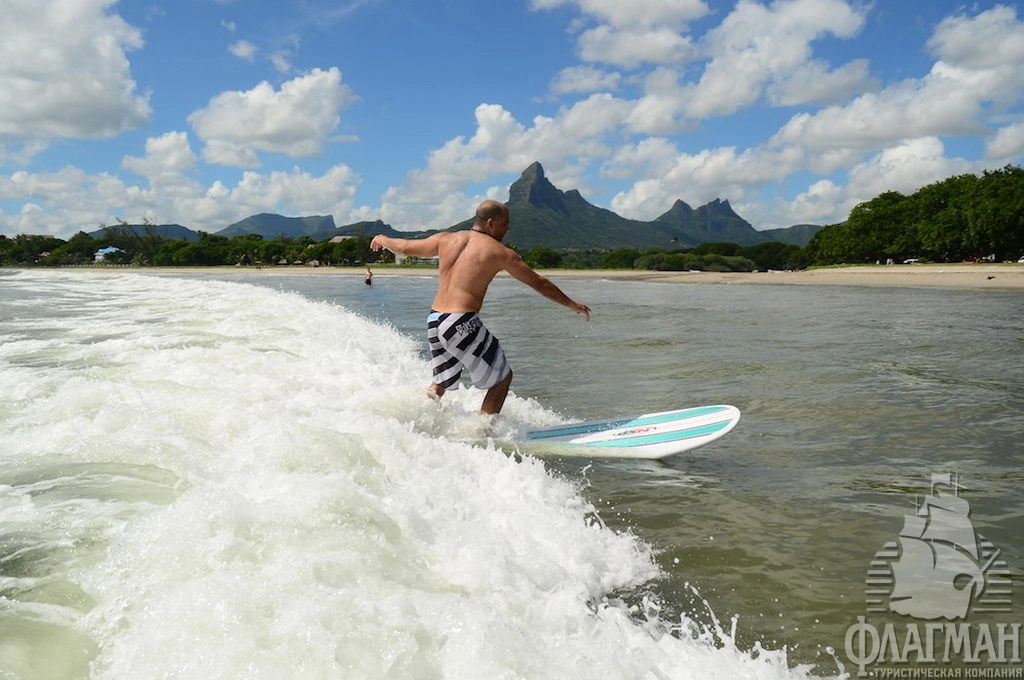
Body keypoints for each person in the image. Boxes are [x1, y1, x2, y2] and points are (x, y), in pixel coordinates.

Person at [370, 200, 590, 416]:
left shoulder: (446, 239)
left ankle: (419, 420)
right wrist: (572, 305)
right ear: (491, 223)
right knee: (503, 379)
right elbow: (539, 282)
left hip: (435, 320)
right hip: (460, 322)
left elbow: (405, 248)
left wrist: (382, 238)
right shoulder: (500, 252)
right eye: (505, 224)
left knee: (441, 381)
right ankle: (483, 434)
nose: (508, 229)